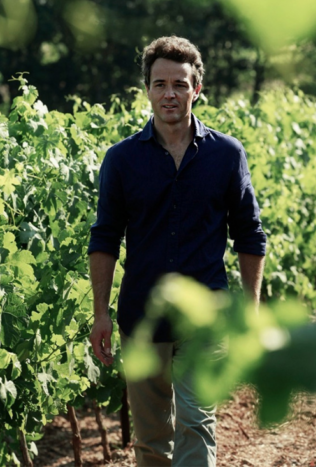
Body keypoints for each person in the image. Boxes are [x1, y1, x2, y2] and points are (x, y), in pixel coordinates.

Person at [88, 36, 266, 467]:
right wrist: (100, 313)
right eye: (160, 83)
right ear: (147, 89)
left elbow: (250, 235)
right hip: (142, 317)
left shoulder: (227, 154)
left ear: (196, 89)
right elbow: (105, 238)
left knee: (196, 423)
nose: (170, 93)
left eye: (180, 84)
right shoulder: (121, 159)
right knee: (151, 439)